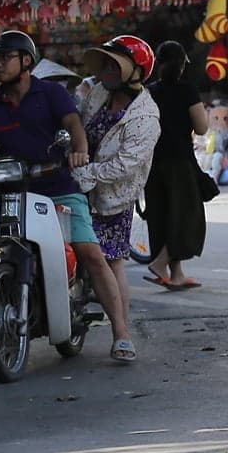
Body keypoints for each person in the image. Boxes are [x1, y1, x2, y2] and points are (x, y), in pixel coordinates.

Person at [0, 30, 138, 363]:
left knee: (90, 252)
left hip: (58, 187)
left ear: (26, 61)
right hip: (12, 191)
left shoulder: (51, 93)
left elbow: (74, 125)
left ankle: (121, 333)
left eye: (5, 58)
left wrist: (80, 150)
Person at [71, 37, 160, 363]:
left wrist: (89, 173)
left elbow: (126, 164)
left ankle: (121, 334)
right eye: (105, 64)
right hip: (78, 185)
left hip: (112, 197)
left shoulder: (145, 116)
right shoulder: (97, 93)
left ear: (135, 72)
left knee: (110, 261)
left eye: (114, 66)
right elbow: (78, 122)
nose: (107, 71)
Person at [142, 42, 210, 290]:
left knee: (163, 216)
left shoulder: (148, 93)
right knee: (187, 217)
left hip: (153, 163)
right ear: (182, 66)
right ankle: (161, 264)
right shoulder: (187, 90)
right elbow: (201, 127)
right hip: (180, 162)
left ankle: (177, 274)